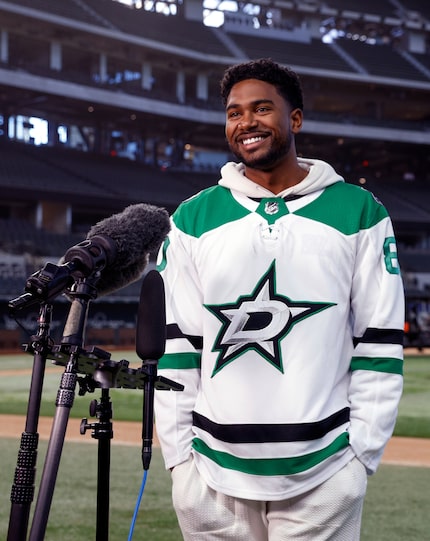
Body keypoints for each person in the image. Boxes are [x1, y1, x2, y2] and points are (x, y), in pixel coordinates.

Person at [154, 58, 405, 540]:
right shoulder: (191, 218)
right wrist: (179, 462)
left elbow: (378, 341)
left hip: (325, 470)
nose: (245, 122)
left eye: (261, 108)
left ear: (295, 119)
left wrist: (360, 458)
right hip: (209, 473)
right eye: (234, 112)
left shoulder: (360, 211)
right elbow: (177, 345)